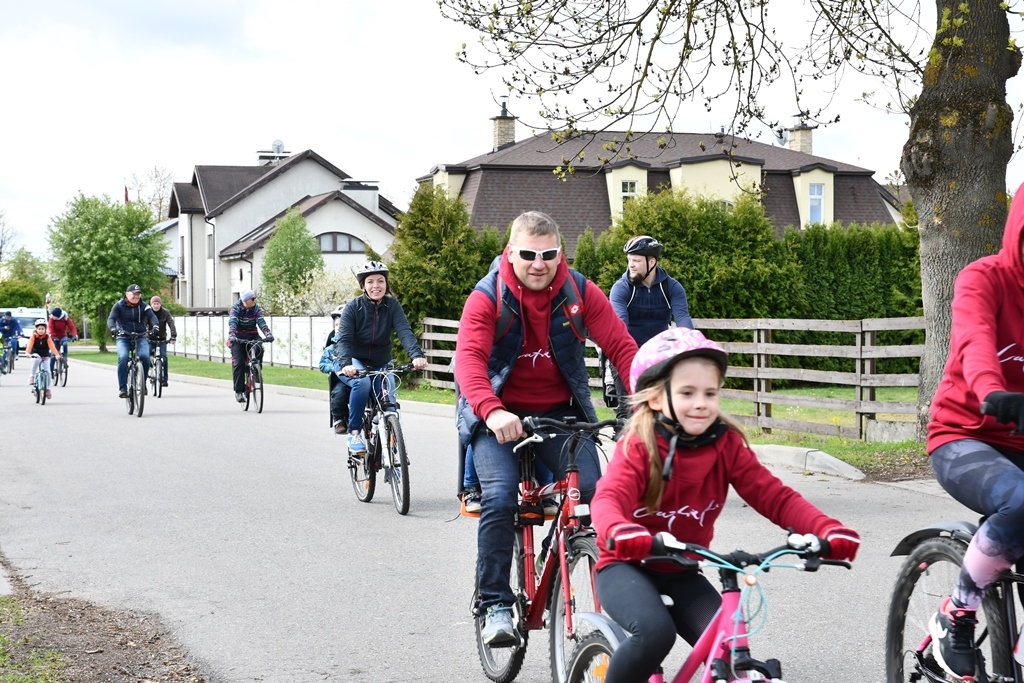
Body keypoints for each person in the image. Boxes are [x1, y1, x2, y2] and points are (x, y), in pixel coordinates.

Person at [590, 327, 860, 683]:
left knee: (731, 650)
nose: (701, 402)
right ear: (655, 398)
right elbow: (608, 498)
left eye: (710, 392)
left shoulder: (725, 445)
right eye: (687, 392)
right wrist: (620, 530)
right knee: (655, 634)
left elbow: (775, 496)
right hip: (626, 566)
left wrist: (825, 528)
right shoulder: (640, 446)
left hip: (681, 569)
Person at [454, 210, 638, 646]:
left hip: (560, 412)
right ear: (510, 252)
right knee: (499, 500)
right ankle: (495, 603)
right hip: (496, 414)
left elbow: (623, 348)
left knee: (595, 495)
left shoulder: (578, 290)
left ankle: (601, 584)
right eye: (529, 254)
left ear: (561, 253)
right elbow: (468, 362)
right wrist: (493, 411)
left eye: (549, 254)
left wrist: (648, 404)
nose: (539, 263)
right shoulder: (488, 296)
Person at [924, 187, 1024, 681]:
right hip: (965, 435)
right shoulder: (983, 278)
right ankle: (957, 613)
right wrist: (991, 390)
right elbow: (975, 340)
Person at [334, 262, 427, 453]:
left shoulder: (392, 306)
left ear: (386, 283)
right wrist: (346, 364)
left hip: (381, 362)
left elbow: (404, 331)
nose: (376, 285)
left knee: (390, 404)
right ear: (363, 286)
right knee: (363, 384)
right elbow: (343, 340)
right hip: (353, 360)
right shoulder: (353, 307)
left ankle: (394, 454)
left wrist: (416, 355)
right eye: (370, 282)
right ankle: (355, 434)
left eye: (380, 281)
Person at [608, 235, 693, 421]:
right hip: (627, 351)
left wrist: (692, 347)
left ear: (652, 261)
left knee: (666, 411)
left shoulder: (671, 287)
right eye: (629, 260)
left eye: (636, 260)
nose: (631, 264)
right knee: (630, 413)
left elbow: (683, 319)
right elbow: (620, 326)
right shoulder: (621, 288)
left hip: (658, 353)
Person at [107, 284, 160, 399]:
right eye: (134, 294)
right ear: (127, 294)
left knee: (145, 357)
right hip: (123, 336)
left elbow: (152, 317)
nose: (136, 296)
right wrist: (113, 328)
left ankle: (142, 382)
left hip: (141, 336)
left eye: (138, 294)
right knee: (123, 357)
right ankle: (123, 389)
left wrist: (155, 326)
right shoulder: (119, 306)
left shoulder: (144, 306)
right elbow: (111, 319)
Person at [227, 290, 274, 403]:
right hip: (238, 338)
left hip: (252, 335)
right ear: (246, 300)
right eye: (252, 299)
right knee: (238, 363)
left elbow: (261, 322)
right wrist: (232, 334)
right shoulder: (236, 309)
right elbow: (233, 322)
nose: (254, 301)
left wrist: (268, 333)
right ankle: (239, 392)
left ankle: (256, 371)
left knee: (259, 348)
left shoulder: (256, 308)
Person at [319, 304, 350, 434]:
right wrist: (335, 368)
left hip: (358, 378)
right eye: (336, 325)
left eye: (341, 325)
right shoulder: (331, 349)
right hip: (341, 380)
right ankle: (339, 419)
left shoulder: (357, 345)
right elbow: (322, 365)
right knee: (339, 393)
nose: (338, 328)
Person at [25, 319, 60, 399]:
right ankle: (32, 376)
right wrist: (27, 353)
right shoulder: (34, 337)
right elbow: (30, 345)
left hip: (45, 354)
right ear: (36, 329)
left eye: (42, 329)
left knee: (48, 372)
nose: (41, 331)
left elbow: (52, 346)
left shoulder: (47, 337)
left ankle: (47, 389)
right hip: (35, 354)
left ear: (45, 329)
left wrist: (56, 354)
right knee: (36, 360)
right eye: (39, 329)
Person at [147, 296, 177, 387]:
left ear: (160, 304)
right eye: (154, 304)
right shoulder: (148, 313)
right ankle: (151, 367)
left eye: (157, 304)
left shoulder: (165, 313)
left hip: (162, 339)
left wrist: (173, 336)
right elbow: (143, 323)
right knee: (145, 355)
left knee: (164, 357)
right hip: (150, 339)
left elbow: (171, 324)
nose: (156, 306)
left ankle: (164, 379)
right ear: (151, 304)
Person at [47, 307, 78, 375]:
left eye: (55, 316)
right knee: (53, 353)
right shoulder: (51, 319)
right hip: (54, 336)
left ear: (58, 316)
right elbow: (51, 328)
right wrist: (53, 336)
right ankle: (51, 371)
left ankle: (65, 359)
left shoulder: (65, 318)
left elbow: (72, 327)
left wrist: (74, 335)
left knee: (65, 344)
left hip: (63, 335)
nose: (53, 317)